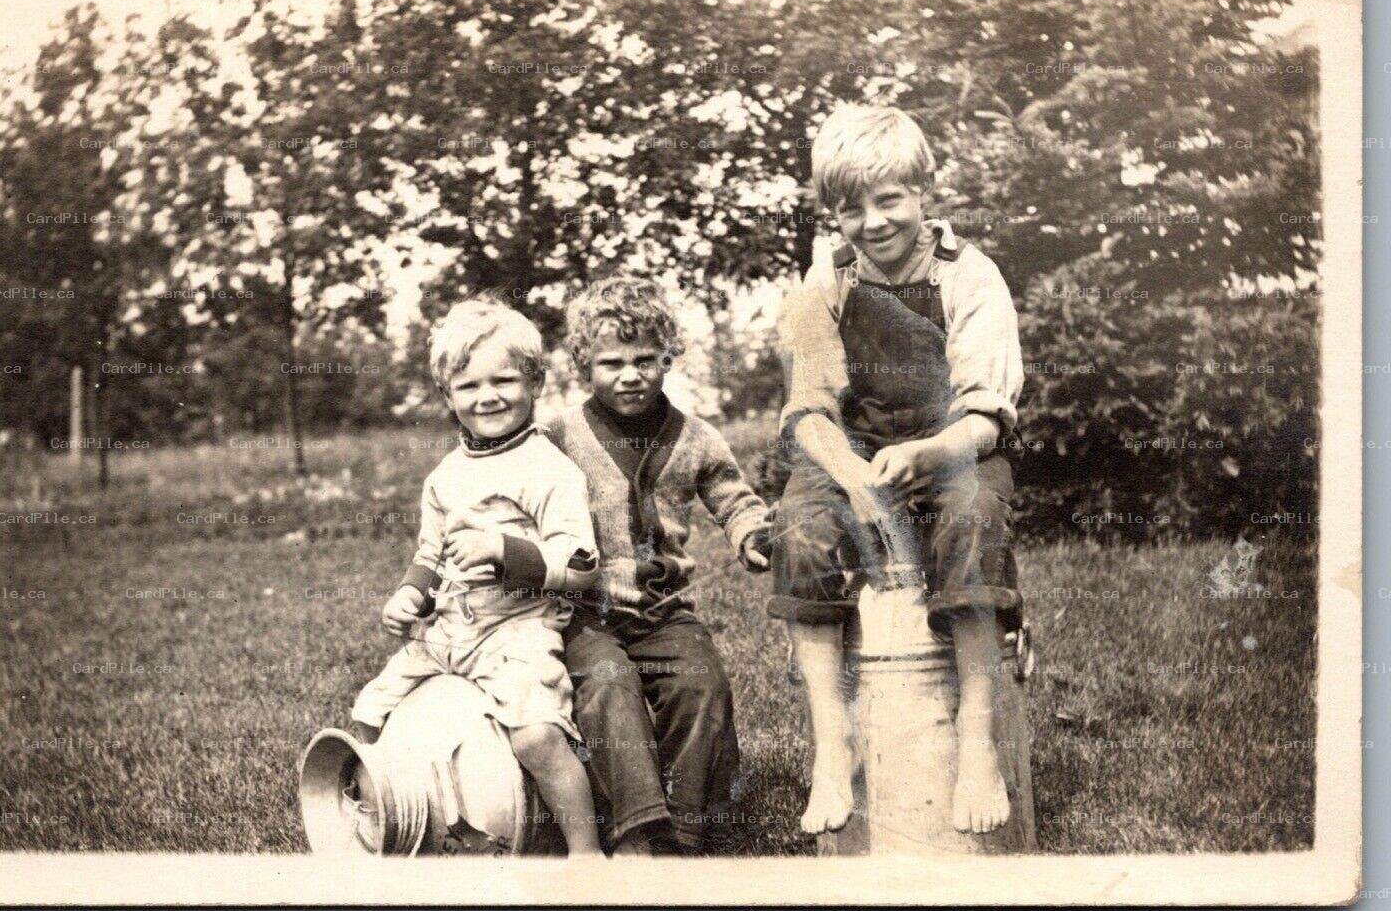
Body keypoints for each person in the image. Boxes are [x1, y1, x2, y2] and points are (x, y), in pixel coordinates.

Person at [772, 103, 1025, 835]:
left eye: (890, 200)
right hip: (855, 449)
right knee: (801, 530)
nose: (874, 222)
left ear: (924, 191)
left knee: (973, 523)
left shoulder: (971, 277)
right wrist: (850, 474)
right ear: (834, 213)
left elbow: (986, 412)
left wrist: (931, 455)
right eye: (852, 209)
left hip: (952, 447)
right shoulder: (826, 281)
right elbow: (808, 407)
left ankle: (976, 740)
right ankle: (833, 743)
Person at [348, 299, 604, 857]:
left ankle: (587, 853)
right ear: (447, 396)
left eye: (504, 380)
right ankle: (375, 817)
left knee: (536, 734)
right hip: (446, 630)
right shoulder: (445, 476)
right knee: (369, 711)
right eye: (468, 386)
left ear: (535, 382)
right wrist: (410, 594)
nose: (487, 396)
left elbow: (582, 565)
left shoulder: (549, 469)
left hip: (516, 629)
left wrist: (504, 550)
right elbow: (430, 554)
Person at [550, 276, 772, 855]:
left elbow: (733, 497)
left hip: (665, 611)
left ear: (667, 359)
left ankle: (689, 826)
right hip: (587, 610)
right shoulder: (561, 436)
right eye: (612, 363)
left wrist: (752, 534)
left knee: (704, 688)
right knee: (607, 687)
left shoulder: (695, 437)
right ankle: (638, 830)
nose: (630, 375)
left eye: (645, 359)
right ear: (583, 365)